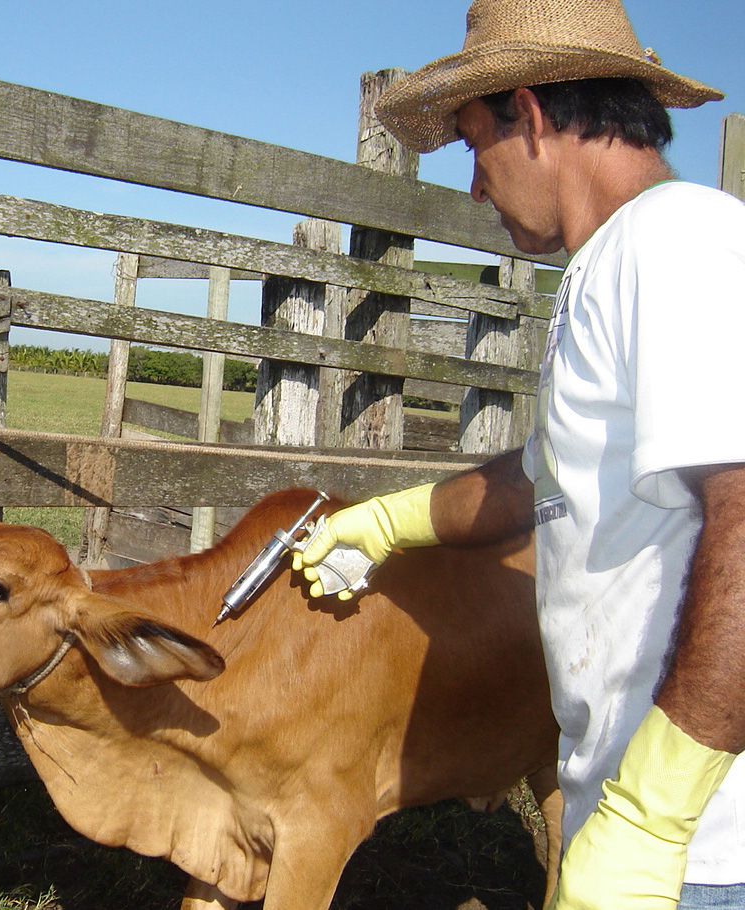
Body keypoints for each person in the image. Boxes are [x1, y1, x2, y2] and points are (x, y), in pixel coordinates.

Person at [292, 0, 745, 907]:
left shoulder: (681, 242)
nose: (474, 187)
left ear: (530, 115)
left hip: (699, 848)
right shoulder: (606, 267)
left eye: (471, 144)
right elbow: (538, 478)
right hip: (633, 828)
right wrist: (389, 521)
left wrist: (655, 813)